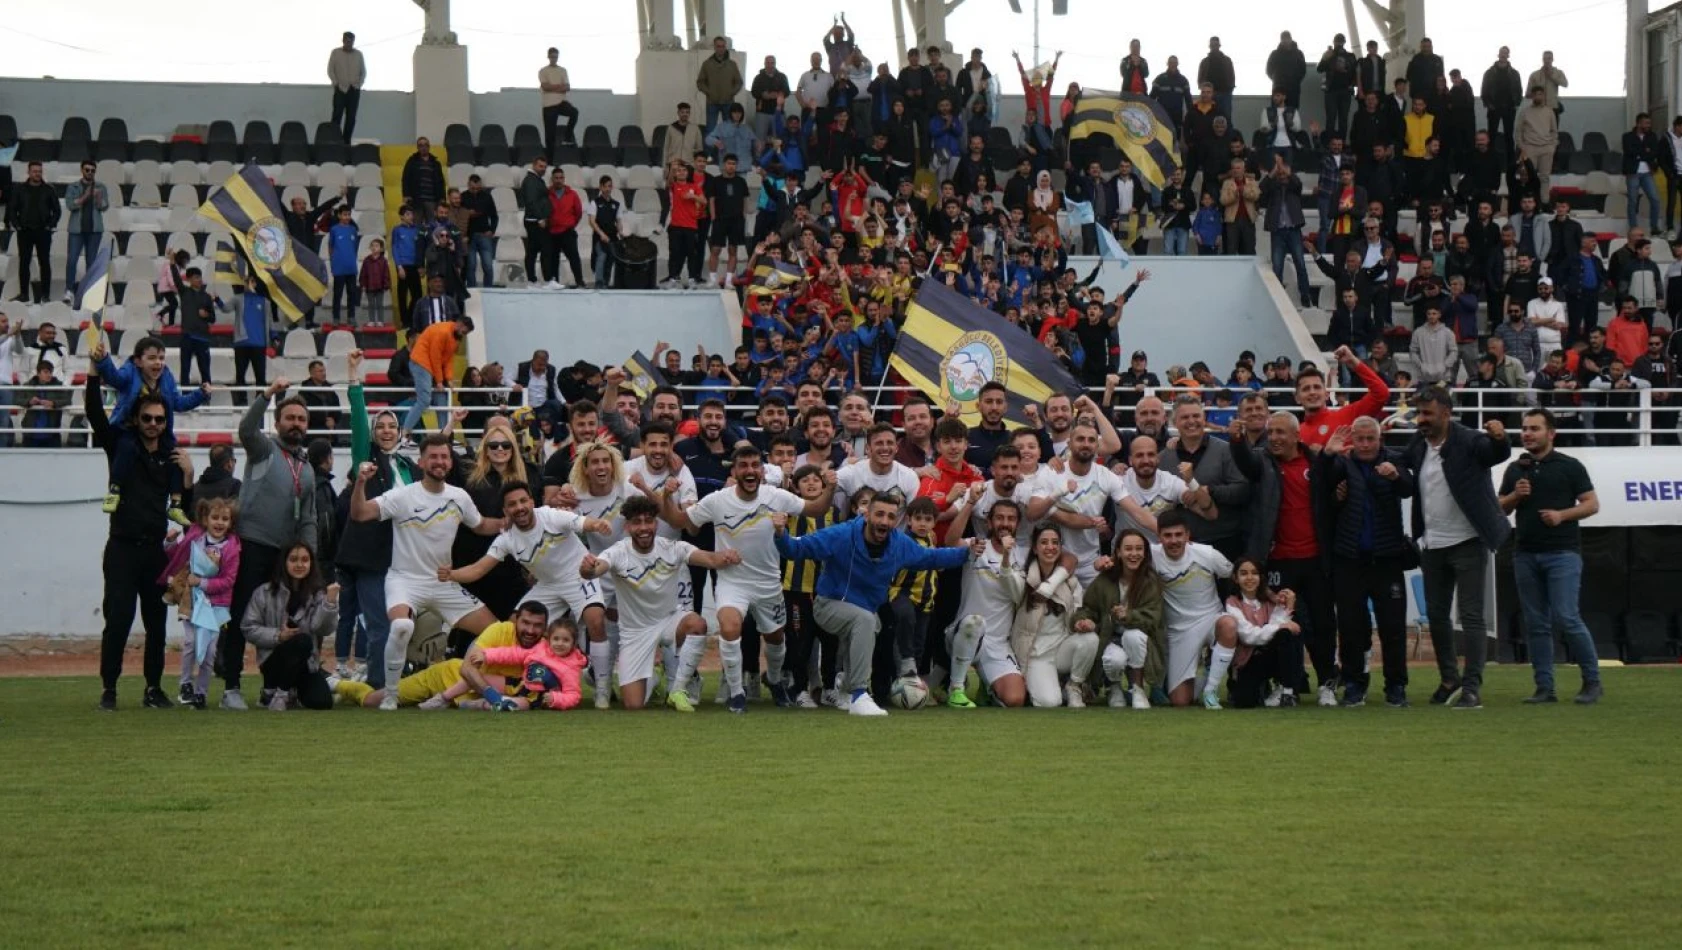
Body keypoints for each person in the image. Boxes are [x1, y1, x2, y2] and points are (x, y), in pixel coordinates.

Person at [660, 444, 836, 712]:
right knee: (730, 629)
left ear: (762, 471)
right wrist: (665, 497)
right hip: (732, 582)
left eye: (755, 465)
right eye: (744, 466)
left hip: (768, 581)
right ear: (735, 470)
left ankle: (775, 681)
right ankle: (736, 691)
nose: (750, 470)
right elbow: (679, 521)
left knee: (776, 638)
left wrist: (831, 488)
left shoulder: (775, 496)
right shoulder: (718, 500)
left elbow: (815, 510)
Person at [773, 490, 977, 716]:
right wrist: (781, 533)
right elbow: (796, 549)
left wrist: (967, 553)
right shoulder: (841, 535)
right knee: (866, 621)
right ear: (867, 515)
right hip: (827, 605)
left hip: (865, 612)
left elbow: (931, 558)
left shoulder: (899, 544)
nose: (884, 521)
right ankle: (860, 694)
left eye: (891, 517)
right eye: (879, 514)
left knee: (870, 624)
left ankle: (847, 690)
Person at [349, 435, 505, 709]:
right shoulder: (403, 496)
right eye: (433, 457)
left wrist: (510, 522)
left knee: (497, 632)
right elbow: (360, 513)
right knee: (401, 626)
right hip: (404, 580)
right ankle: (391, 695)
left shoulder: (459, 497)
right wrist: (361, 482)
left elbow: (481, 526)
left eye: (444, 456)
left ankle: (472, 684)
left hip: (443, 582)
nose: (440, 462)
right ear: (421, 462)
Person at [1401, 388, 1511, 710]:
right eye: (1419, 413)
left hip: (1468, 542)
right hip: (1433, 543)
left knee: (1472, 615)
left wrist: (1501, 438)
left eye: (1428, 414)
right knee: (1437, 615)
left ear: (1446, 413)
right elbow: (1400, 459)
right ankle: (1450, 679)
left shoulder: (1470, 440)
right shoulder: (1419, 444)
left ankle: (1472, 687)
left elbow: (1496, 454)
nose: (1421, 420)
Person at [581, 495, 741, 711]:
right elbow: (595, 569)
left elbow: (712, 559)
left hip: (668, 621)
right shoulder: (618, 552)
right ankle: (653, 678)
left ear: (656, 523)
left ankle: (679, 689)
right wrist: (588, 568)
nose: (644, 527)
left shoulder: (673, 548)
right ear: (628, 526)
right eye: (637, 522)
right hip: (635, 632)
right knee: (633, 705)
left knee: (697, 624)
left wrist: (728, 556)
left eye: (648, 521)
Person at [89, 378, 191, 711]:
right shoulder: (121, 446)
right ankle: (109, 688)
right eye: (147, 418)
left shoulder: (169, 455)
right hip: (121, 548)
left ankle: (153, 688)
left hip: (153, 552)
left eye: (159, 419)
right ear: (137, 418)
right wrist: (93, 374)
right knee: (117, 620)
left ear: (166, 422)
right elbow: (94, 413)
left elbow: (185, 510)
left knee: (156, 623)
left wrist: (187, 475)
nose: (153, 424)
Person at [1498, 408, 1603, 705]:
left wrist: (1562, 515)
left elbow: (1592, 505)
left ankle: (1592, 681)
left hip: (1562, 553)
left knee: (1567, 617)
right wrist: (1516, 496)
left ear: (1551, 433)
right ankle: (1545, 687)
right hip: (1525, 553)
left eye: (1534, 428)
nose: (1527, 434)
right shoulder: (1516, 469)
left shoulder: (1570, 466)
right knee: (1536, 623)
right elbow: (1500, 508)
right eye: (1525, 428)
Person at [1229, 411, 1333, 703]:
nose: (1273, 438)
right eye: (1270, 432)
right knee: (1282, 626)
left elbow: (1336, 485)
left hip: (1315, 560)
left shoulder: (1315, 462)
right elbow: (1246, 463)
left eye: (1280, 432)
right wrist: (1237, 442)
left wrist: (1334, 464)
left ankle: (1327, 682)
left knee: (1321, 624)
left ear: (1296, 435)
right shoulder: (1263, 462)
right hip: (1279, 561)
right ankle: (1289, 685)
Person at [1317, 420, 1415, 708]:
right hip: (1349, 558)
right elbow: (1321, 482)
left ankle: (1396, 686)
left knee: (1393, 627)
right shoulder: (1343, 464)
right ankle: (1354, 685)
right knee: (1350, 628)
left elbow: (1409, 488)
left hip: (1387, 558)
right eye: (1359, 439)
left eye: (1370, 438)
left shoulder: (1394, 460)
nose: (1365, 444)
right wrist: (1328, 454)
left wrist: (1395, 476)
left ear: (1380, 438)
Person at [1151, 510, 1240, 708]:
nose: (1174, 540)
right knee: (1180, 701)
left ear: (1187, 535)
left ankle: (1211, 690)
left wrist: (1270, 596)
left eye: (1178, 535)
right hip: (1179, 630)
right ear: (1159, 537)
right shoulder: (1151, 555)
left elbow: (1237, 575)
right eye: (1167, 535)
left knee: (1229, 624)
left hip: (1211, 619)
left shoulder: (1207, 553)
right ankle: (1208, 671)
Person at [159, 496, 241, 708]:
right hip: (191, 601)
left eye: (225, 519)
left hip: (217, 605)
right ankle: (185, 684)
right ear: (205, 519)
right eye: (215, 517)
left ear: (231, 523)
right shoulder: (196, 539)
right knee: (190, 642)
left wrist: (202, 583)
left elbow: (228, 580)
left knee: (210, 651)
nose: (219, 522)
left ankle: (201, 692)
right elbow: (177, 558)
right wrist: (169, 542)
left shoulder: (232, 548)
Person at [240, 543, 339, 711]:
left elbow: (322, 629)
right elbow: (248, 627)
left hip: (305, 663)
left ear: (311, 564)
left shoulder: (318, 594)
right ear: (284, 563)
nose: (299, 565)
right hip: (273, 659)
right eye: (293, 560)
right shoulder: (264, 592)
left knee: (322, 702)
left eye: (305, 560)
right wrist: (278, 636)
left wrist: (329, 604)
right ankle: (278, 693)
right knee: (301, 641)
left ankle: (289, 692)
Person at [1010, 523, 1098, 708]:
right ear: (1034, 548)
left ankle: (1074, 686)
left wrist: (1082, 622)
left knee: (1090, 639)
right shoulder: (1023, 579)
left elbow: (1078, 612)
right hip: (1036, 654)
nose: (1050, 547)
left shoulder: (1070, 582)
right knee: (1050, 702)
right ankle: (1049, 687)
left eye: (1055, 543)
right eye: (1044, 542)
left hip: (1062, 649)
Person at [1077, 529, 1165, 709]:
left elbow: (1153, 617)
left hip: (1142, 640)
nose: (1134, 554)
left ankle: (1137, 688)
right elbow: (1088, 608)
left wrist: (1128, 615)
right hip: (1109, 637)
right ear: (1118, 552)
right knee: (1114, 659)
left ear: (1145, 553)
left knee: (1133, 636)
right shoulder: (1105, 579)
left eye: (1139, 549)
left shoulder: (1151, 581)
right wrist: (1083, 620)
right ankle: (1114, 687)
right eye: (1128, 549)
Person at [1221, 556, 1300, 708]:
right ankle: (1256, 688)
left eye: (1254, 573)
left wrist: (1288, 608)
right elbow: (1248, 636)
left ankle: (1287, 691)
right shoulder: (1232, 602)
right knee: (1244, 703)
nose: (1249, 578)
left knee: (1286, 636)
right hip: (1248, 660)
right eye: (1244, 573)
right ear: (1235, 578)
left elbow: (1280, 629)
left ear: (1261, 577)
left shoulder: (1271, 600)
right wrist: (1280, 626)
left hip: (1271, 655)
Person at [460, 617, 588, 711]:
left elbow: (573, 695)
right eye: (556, 639)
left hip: (535, 699)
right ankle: (444, 698)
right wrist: (486, 655)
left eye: (566, 640)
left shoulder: (571, 667)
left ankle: (480, 704)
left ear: (574, 643)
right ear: (549, 638)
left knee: (510, 706)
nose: (560, 643)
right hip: (521, 684)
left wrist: (555, 699)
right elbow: (514, 653)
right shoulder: (541, 648)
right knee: (476, 675)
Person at [401, 314, 473, 443]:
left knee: (442, 402)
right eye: (464, 331)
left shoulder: (454, 338)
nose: (464, 334)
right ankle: (405, 432)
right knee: (424, 400)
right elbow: (435, 356)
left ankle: (444, 436)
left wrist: (449, 379)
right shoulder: (443, 332)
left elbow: (448, 359)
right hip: (421, 363)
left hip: (430, 368)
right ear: (460, 325)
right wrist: (440, 381)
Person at [6, 161, 62, 304]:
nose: (37, 174)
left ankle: (45, 295)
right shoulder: (19, 189)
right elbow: (12, 208)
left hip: (43, 232)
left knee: (45, 263)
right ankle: (24, 294)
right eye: (35, 171)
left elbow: (57, 210)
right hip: (24, 232)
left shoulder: (49, 189)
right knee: (24, 263)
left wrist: (50, 225)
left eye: (39, 171)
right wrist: (17, 225)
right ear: (29, 172)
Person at [62, 160, 109, 301]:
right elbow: (70, 205)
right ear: (82, 170)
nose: (90, 173)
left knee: (91, 262)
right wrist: (85, 196)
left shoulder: (101, 187)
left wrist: (99, 199)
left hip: (94, 230)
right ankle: (69, 290)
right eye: (87, 170)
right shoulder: (73, 187)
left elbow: (105, 207)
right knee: (72, 260)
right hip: (77, 230)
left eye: (92, 170)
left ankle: (89, 290)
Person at [538, 46, 578, 156]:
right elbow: (545, 87)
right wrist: (560, 87)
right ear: (548, 57)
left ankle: (567, 137)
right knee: (550, 135)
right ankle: (549, 161)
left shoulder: (562, 70)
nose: (554, 59)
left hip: (561, 103)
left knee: (574, 112)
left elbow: (567, 87)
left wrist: (553, 87)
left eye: (556, 57)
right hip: (548, 105)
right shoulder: (543, 71)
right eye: (552, 57)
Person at [327, 31, 365, 142]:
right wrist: (335, 83)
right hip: (340, 89)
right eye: (347, 41)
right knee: (337, 115)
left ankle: (346, 141)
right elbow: (330, 69)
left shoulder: (359, 55)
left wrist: (358, 84)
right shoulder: (335, 53)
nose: (349, 43)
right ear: (343, 41)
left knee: (351, 117)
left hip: (354, 89)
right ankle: (334, 140)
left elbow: (363, 72)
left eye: (351, 41)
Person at [401, 137, 446, 227]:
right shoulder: (411, 161)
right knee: (416, 226)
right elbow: (405, 179)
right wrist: (406, 195)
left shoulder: (436, 163)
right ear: (417, 147)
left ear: (429, 147)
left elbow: (441, 182)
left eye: (426, 145)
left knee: (433, 226)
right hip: (417, 200)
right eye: (421, 145)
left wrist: (442, 198)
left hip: (432, 200)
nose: (423, 147)